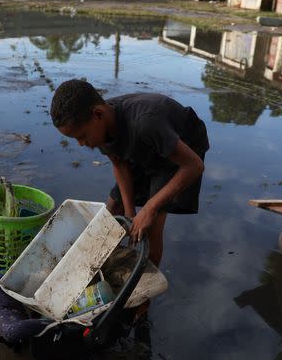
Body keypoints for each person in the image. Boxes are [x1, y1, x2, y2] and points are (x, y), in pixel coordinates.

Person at [49, 80, 209, 266]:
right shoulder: (101, 124)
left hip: (180, 150)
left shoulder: (145, 122)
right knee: (112, 212)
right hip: (145, 146)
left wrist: (150, 208)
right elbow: (120, 165)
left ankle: (145, 284)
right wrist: (130, 211)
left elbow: (194, 166)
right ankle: (94, 266)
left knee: (149, 226)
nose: (81, 144)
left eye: (82, 136)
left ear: (98, 115)